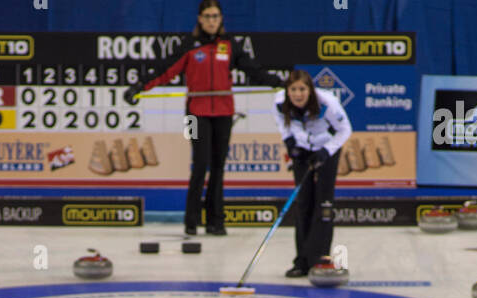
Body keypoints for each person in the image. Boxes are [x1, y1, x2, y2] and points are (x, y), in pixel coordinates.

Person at [124, 4, 284, 237]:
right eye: (207, 16)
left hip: (223, 113)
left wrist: (278, 82)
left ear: (221, 19)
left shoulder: (229, 45)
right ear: (199, 19)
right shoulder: (189, 45)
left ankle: (216, 221)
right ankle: (191, 221)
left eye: (215, 16)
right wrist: (139, 87)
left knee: (218, 168)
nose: (211, 21)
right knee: (199, 164)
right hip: (194, 115)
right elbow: (164, 71)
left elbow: (253, 71)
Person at [273, 68, 351, 277]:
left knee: (324, 204)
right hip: (302, 151)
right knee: (303, 203)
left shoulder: (327, 103)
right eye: (293, 89)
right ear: (287, 90)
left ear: (310, 90)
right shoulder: (280, 102)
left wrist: (326, 152)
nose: (298, 94)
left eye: (302, 89)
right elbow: (282, 122)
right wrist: (290, 142)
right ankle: (302, 261)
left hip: (327, 149)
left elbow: (345, 130)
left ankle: (320, 259)